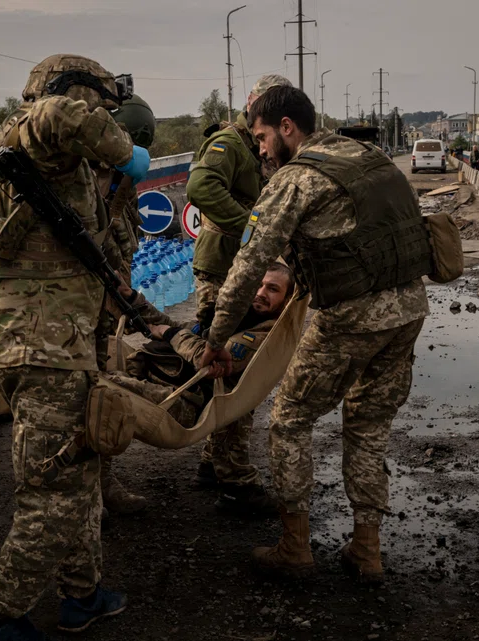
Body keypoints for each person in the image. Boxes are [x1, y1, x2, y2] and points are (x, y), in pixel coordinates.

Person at [0, 54, 149, 641]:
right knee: (53, 495)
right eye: (103, 106)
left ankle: (81, 595)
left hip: (34, 340)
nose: (108, 118)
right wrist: (128, 155)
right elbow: (56, 114)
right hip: (42, 346)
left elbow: (90, 249)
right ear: (77, 93)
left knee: (78, 471)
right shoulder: (37, 133)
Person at [200, 86, 431, 584]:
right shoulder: (366, 156)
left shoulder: (297, 178)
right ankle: (366, 551)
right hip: (408, 311)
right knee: (369, 425)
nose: (261, 150)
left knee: (289, 419)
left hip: (351, 317)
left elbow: (248, 265)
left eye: (262, 137)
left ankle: (294, 546)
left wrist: (216, 339)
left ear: (287, 127)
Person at [185, 73, 292, 510]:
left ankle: (214, 463)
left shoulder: (260, 147)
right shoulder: (230, 143)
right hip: (223, 270)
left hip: (244, 269)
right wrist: (251, 228)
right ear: (250, 103)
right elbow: (200, 187)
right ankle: (234, 476)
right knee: (234, 370)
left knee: (236, 366)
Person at [111, 263, 294, 429]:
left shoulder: (265, 336)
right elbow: (177, 327)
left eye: (273, 289)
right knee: (108, 363)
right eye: (258, 285)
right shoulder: (239, 316)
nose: (261, 293)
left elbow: (206, 357)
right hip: (166, 380)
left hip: (187, 402)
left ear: (287, 299)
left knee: (107, 387)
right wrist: (132, 297)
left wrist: (169, 333)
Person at [92, 93, 161, 518]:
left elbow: (123, 239)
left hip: (104, 306)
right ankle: (85, 496)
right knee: (75, 400)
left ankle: (102, 485)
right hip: (73, 308)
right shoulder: (79, 176)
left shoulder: (121, 181)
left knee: (99, 392)